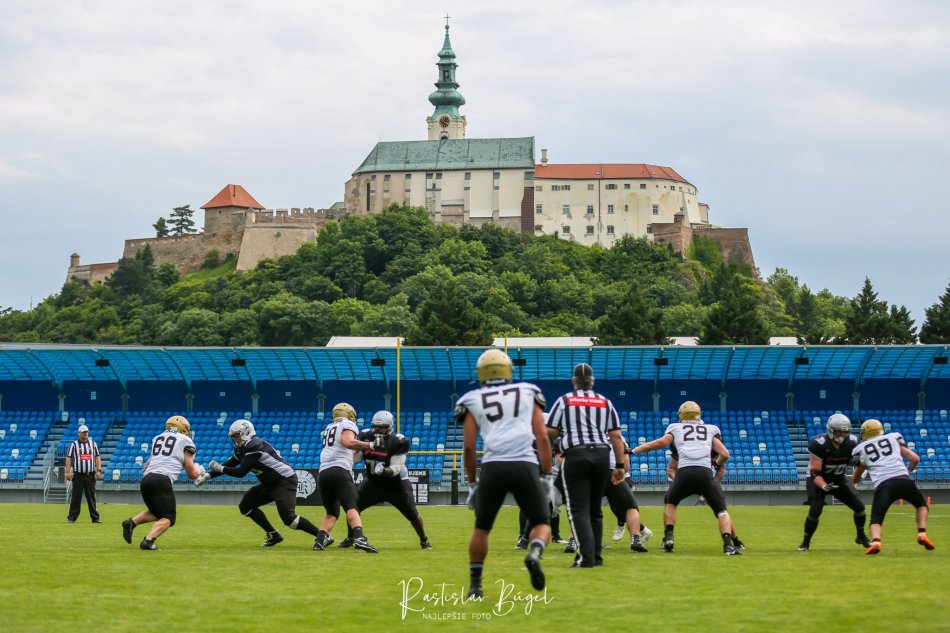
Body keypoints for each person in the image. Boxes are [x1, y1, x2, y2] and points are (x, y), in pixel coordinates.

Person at [458, 349, 552, 598]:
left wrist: (472, 483)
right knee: (542, 522)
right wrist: (548, 474)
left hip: (494, 466)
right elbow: (542, 436)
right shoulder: (528, 391)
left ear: (481, 373)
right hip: (525, 463)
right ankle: (534, 552)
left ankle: (475, 586)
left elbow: (469, 447)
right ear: (508, 370)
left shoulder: (471, 399)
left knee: (482, 528)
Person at [631, 400, 741, 555]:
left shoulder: (675, 428)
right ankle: (728, 545)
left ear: (681, 415)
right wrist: (716, 464)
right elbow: (725, 454)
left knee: (671, 502)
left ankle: (669, 537)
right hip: (704, 473)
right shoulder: (711, 429)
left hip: (684, 472)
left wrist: (634, 450)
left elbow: (658, 444)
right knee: (722, 511)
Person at [546, 362, 627, 567]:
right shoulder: (605, 401)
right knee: (594, 510)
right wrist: (619, 465)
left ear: (573, 381)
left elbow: (550, 431)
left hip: (576, 454)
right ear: (593, 381)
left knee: (577, 509)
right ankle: (595, 557)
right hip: (602, 455)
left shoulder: (564, 400)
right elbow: (616, 436)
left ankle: (585, 558)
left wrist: (559, 438)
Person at [203, 418, 326, 549]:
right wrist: (207, 475)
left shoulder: (254, 444)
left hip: (284, 480)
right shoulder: (244, 448)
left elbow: (241, 472)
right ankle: (273, 535)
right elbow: (230, 464)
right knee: (246, 506)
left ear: (246, 432)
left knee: (289, 519)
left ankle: (323, 536)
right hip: (270, 483)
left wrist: (220, 468)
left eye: (236, 436)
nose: (235, 439)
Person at [338, 410, 432, 549]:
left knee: (412, 513)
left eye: (381, 427)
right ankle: (351, 538)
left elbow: (396, 468)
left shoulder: (397, 442)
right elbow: (355, 457)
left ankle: (424, 540)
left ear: (389, 427)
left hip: (396, 485)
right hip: (373, 483)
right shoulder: (366, 437)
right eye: (375, 426)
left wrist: (384, 471)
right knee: (353, 508)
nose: (377, 429)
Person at [852, 419, 936, 555]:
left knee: (876, 520)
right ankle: (922, 533)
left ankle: (876, 542)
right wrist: (906, 472)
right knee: (921, 505)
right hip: (904, 480)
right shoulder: (893, 438)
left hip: (884, 485)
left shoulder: (861, 449)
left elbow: (855, 479)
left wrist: (862, 473)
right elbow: (915, 458)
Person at [122, 416, 204, 550]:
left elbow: (147, 465)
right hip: (161, 480)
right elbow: (191, 473)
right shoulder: (185, 440)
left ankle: (131, 523)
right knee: (168, 517)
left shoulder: (158, 438)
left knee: (157, 512)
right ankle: (148, 542)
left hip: (147, 479)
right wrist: (199, 470)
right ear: (182, 428)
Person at [797, 413, 871, 551]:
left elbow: (862, 462)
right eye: (839, 431)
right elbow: (815, 473)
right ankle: (805, 542)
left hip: (838, 477)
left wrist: (861, 467)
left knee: (860, 507)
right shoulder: (819, 443)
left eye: (845, 431)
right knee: (815, 510)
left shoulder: (853, 442)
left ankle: (861, 535)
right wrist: (824, 486)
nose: (843, 434)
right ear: (831, 430)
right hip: (818, 479)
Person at [314, 403, 378, 553]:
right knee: (352, 506)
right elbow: (347, 441)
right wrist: (370, 445)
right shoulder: (347, 424)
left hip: (323, 472)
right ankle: (359, 538)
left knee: (331, 513)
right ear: (349, 414)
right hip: (340, 470)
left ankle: (319, 540)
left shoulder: (329, 426)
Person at [665, 438, 744, 550]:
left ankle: (735, 539)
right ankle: (667, 538)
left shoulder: (714, 452)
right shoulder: (685, 447)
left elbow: (721, 472)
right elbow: (671, 470)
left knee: (721, 509)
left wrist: (711, 487)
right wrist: (678, 480)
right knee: (722, 511)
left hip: (705, 482)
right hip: (691, 480)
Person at [605, 437, 649, 552]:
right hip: (611, 475)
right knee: (617, 508)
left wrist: (621, 474)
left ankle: (623, 526)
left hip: (621, 477)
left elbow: (625, 461)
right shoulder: (610, 436)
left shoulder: (615, 438)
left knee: (625, 507)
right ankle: (641, 531)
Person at [65, 424, 102, 523]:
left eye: (86, 432)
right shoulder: (74, 445)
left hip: (90, 475)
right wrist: (68, 472)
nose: (85, 433)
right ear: (79, 433)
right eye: (83, 432)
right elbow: (68, 458)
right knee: (76, 497)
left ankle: (95, 518)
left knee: (91, 497)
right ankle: (72, 518)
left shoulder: (93, 444)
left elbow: (97, 457)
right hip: (78, 475)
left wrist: (99, 470)